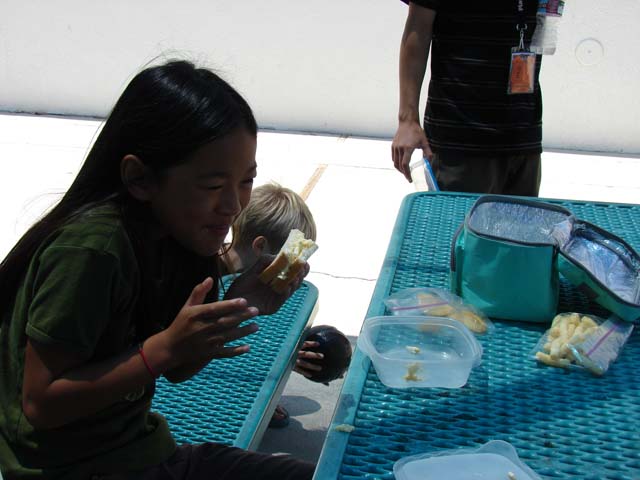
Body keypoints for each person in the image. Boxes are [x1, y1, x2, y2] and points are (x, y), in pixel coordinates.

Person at [0, 60, 315, 480]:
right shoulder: (92, 252)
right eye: (213, 185)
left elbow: (179, 369)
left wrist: (238, 305)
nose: (233, 205)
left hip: (136, 453)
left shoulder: (173, 238)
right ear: (140, 178)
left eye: (245, 181)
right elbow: (41, 404)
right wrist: (163, 348)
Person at [220, 183, 351, 429]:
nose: (298, 268)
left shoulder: (251, 278)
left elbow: (258, 332)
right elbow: (217, 351)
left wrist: (292, 355)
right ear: (261, 248)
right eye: (292, 258)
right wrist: (279, 361)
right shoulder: (209, 282)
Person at [391, 0, 543, 196]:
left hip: (524, 137)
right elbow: (418, 26)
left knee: (523, 217)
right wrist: (407, 119)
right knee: (458, 217)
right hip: (460, 138)